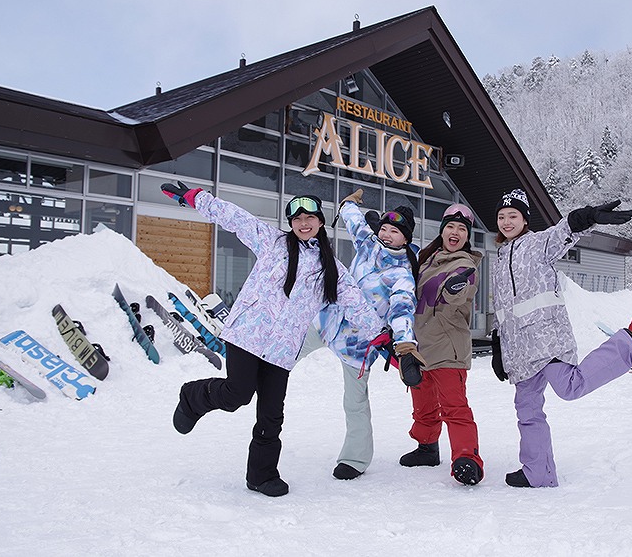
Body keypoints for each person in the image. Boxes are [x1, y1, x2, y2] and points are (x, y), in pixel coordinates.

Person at [160, 181, 383, 497]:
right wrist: (198, 198)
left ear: (320, 222)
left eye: (309, 218)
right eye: (297, 219)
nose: (303, 224)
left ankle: (261, 476)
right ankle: (194, 397)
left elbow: (355, 301)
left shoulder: (332, 268)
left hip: (282, 348)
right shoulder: (273, 242)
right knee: (237, 394)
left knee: (271, 414)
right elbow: (236, 218)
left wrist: (381, 334)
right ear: (291, 224)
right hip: (248, 333)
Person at [490, 189, 632, 489]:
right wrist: (498, 347)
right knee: (527, 408)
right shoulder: (499, 258)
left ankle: (626, 347)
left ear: (525, 219)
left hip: (546, 337)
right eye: (501, 216)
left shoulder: (537, 244)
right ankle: (536, 472)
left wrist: (587, 217)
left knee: (570, 386)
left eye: (513, 215)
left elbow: (563, 231)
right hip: (519, 350)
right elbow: (503, 307)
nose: (506, 221)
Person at [316, 188, 423, 481]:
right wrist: (349, 203)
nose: (386, 234)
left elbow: (403, 309)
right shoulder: (368, 244)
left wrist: (404, 345)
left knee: (355, 402)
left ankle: (355, 458)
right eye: (384, 228)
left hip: (357, 345)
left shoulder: (401, 275)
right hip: (325, 321)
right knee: (280, 353)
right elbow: (353, 220)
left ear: (406, 239)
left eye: (394, 231)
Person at [399, 203, 484, 486]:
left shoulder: (465, 264)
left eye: (462, 229)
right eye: (450, 226)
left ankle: (466, 459)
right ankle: (426, 448)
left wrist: (454, 288)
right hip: (420, 346)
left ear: (467, 236)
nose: (455, 232)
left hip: (448, 347)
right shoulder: (427, 259)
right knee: (422, 405)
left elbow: (460, 289)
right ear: (442, 230)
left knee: (454, 407)